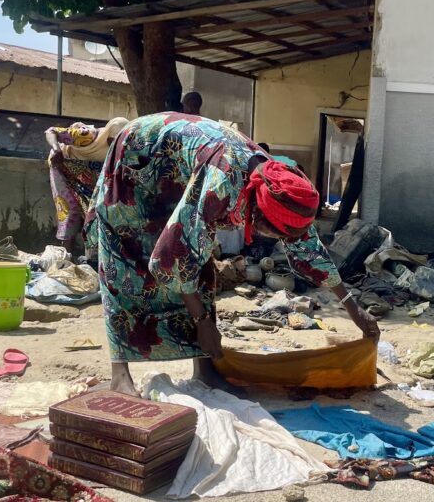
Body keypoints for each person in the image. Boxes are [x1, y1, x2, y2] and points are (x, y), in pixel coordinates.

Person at [87, 113, 380, 397]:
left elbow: (309, 249)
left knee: (201, 268)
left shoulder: (279, 186)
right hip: (137, 160)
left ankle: (205, 369)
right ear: (257, 214)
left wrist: (352, 307)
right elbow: (176, 257)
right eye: (276, 234)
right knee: (124, 263)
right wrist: (202, 322)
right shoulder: (221, 184)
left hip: (179, 166)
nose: (281, 241)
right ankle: (120, 376)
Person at [45, 117, 129, 253]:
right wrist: (56, 150)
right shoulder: (88, 135)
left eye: (119, 141)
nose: (116, 144)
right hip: (63, 164)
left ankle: (94, 257)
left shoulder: (124, 147)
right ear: (109, 133)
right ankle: (65, 256)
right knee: (70, 208)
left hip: (90, 169)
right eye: (114, 140)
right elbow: (51, 131)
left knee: (96, 208)